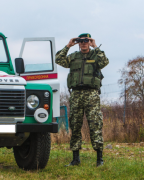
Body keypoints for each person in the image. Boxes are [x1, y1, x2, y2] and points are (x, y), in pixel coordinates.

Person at [55, 33, 109, 167]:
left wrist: (95, 46)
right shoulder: (73, 57)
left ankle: (99, 159)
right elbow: (58, 59)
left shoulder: (96, 56)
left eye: (86, 41)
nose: (84, 43)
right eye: (81, 41)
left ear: (89, 42)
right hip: (76, 94)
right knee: (75, 124)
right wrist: (68, 45)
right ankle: (75, 159)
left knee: (95, 124)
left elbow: (104, 62)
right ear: (78, 43)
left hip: (91, 94)